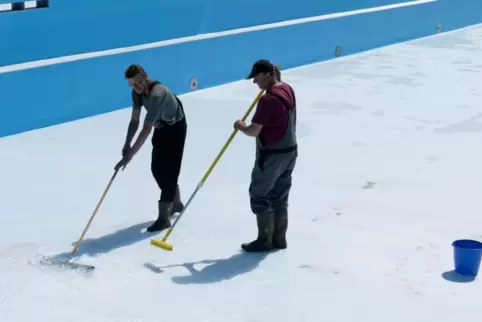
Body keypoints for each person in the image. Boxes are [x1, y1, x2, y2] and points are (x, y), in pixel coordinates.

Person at [233, 59, 298, 252]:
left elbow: (254, 130)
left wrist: (240, 127)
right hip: (290, 151)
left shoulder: (267, 100)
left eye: (257, 77)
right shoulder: (287, 88)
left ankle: (264, 240)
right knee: (280, 195)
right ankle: (279, 239)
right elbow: (277, 80)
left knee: (259, 194)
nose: (255, 83)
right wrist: (276, 75)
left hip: (272, 156)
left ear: (268, 74)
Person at [115, 64, 187, 232]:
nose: (136, 87)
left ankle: (164, 219)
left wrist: (130, 156)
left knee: (170, 171)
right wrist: (127, 143)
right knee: (157, 169)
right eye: (132, 84)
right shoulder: (136, 93)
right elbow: (135, 121)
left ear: (144, 76)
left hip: (175, 127)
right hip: (161, 126)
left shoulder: (157, 93)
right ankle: (175, 203)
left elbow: (146, 129)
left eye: (138, 82)